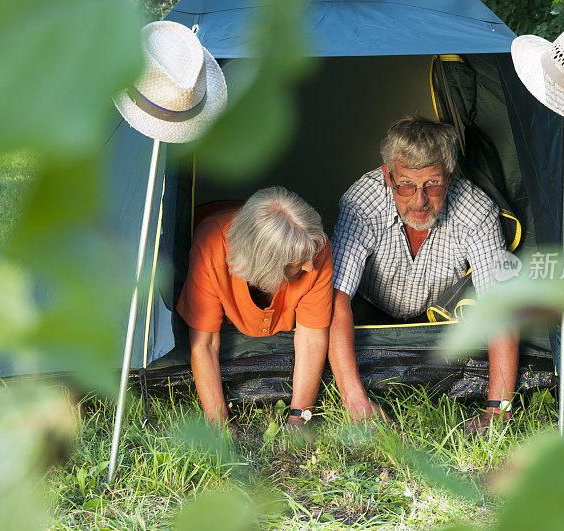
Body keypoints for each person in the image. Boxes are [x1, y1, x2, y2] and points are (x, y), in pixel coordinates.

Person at [328, 116, 519, 434]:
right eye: (406, 185)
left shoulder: (477, 210)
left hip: (441, 315)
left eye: (433, 184)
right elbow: (335, 298)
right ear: (388, 176)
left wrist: (497, 410)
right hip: (368, 306)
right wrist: (355, 401)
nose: (419, 201)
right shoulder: (361, 203)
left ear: (451, 175)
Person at [177, 187, 333, 428]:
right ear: (267, 268)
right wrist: (218, 424)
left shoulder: (314, 247)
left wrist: (299, 418)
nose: (311, 267)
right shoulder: (211, 246)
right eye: (298, 264)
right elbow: (204, 344)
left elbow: (312, 339)